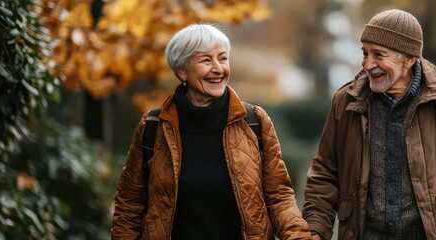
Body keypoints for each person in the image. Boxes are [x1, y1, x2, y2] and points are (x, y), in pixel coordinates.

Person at [303, 9, 436, 240]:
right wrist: (314, 231)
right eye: (365, 53)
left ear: (408, 58)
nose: (367, 64)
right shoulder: (345, 101)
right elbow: (324, 175)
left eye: (378, 54)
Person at [111, 23, 311, 240]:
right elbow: (129, 205)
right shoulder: (153, 126)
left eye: (223, 58)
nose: (218, 68)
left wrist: (298, 236)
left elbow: (279, 197)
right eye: (206, 60)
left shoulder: (254, 121)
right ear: (182, 70)